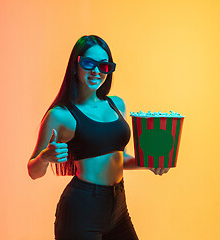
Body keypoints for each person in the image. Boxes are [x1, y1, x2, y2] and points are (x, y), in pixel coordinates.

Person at [27, 35, 170, 240]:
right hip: (82, 211)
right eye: (88, 63)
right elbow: (33, 171)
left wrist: (150, 163)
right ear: (75, 66)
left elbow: (119, 160)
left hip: (118, 207)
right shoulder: (60, 115)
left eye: (103, 66)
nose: (96, 71)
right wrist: (45, 158)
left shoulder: (116, 105)